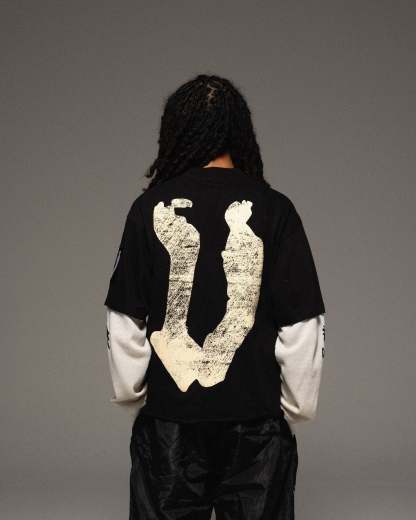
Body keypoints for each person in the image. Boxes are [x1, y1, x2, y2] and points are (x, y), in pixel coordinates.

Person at [104, 74, 326, 520]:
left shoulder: (149, 209)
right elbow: (301, 321)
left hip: (171, 423)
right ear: (240, 132)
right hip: (256, 426)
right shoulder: (275, 209)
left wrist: (134, 395)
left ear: (175, 132)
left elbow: (125, 317)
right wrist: (295, 407)